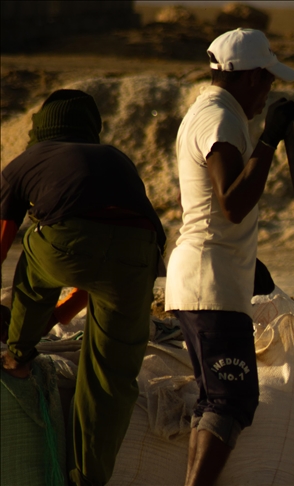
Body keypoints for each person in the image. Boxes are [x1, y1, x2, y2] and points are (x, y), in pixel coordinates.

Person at [0, 89, 166, 486]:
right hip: (139, 254)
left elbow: (3, 242)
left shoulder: (28, 160)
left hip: (69, 244)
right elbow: (103, 267)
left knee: (35, 253)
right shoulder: (115, 159)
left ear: (41, 129)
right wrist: (58, 317)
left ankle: (18, 359)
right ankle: (87, 479)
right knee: (111, 374)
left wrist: (27, 330)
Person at [164, 28, 294, 486]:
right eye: (267, 83)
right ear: (250, 77)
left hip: (215, 276)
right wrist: (269, 141)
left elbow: (218, 211)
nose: (268, 94)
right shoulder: (220, 119)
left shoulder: (211, 112)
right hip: (210, 282)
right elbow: (231, 202)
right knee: (232, 400)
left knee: (216, 401)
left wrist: (250, 265)